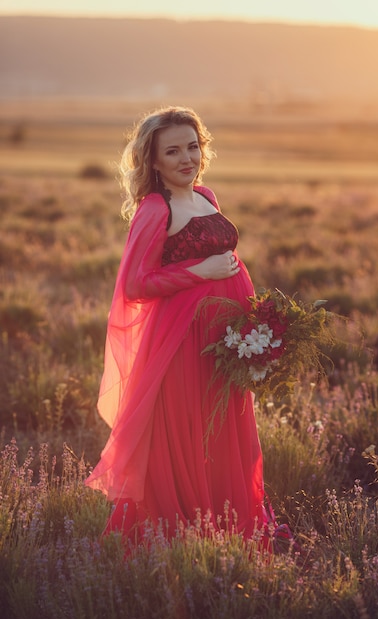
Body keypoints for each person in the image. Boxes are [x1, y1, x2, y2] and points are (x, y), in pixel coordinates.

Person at [85, 106, 270, 545]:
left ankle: (227, 527)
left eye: (193, 146)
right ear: (153, 161)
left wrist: (256, 319)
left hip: (227, 340)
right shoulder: (154, 208)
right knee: (190, 432)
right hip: (184, 341)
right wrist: (199, 273)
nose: (187, 158)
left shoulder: (206, 195)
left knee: (226, 426)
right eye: (173, 151)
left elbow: (226, 259)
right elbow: (135, 284)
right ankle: (182, 532)